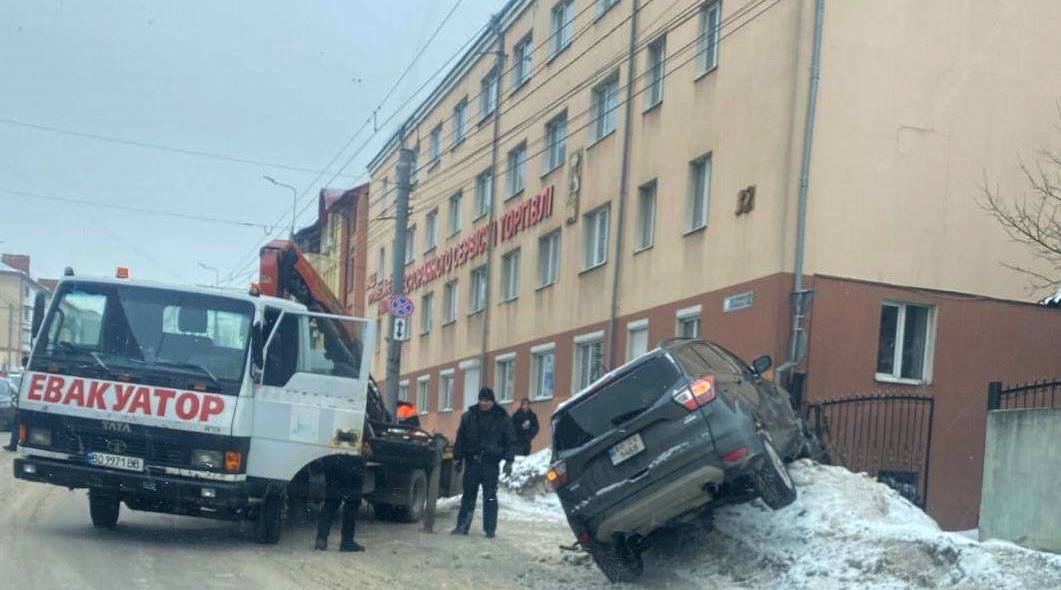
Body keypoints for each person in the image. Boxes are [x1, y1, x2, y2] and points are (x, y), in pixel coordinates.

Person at [451, 387, 516, 538]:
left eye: (487, 400)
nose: (484, 403)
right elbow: (461, 438)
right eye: (481, 400)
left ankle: (490, 529)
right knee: (468, 495)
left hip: (490, 464)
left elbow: (511, 441)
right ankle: (462, 526)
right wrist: (457, 458)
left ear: (492, 401)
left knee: (490, 496)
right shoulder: (469, 416)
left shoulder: (502, 418)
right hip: (472, 462)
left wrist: (509, 460)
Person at [315, 454, 365, 552]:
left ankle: (321, 539)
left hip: (333, 461)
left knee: (331, 502)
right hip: (354, 464)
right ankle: (347, 542)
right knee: (352, 504)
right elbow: (366, 449)